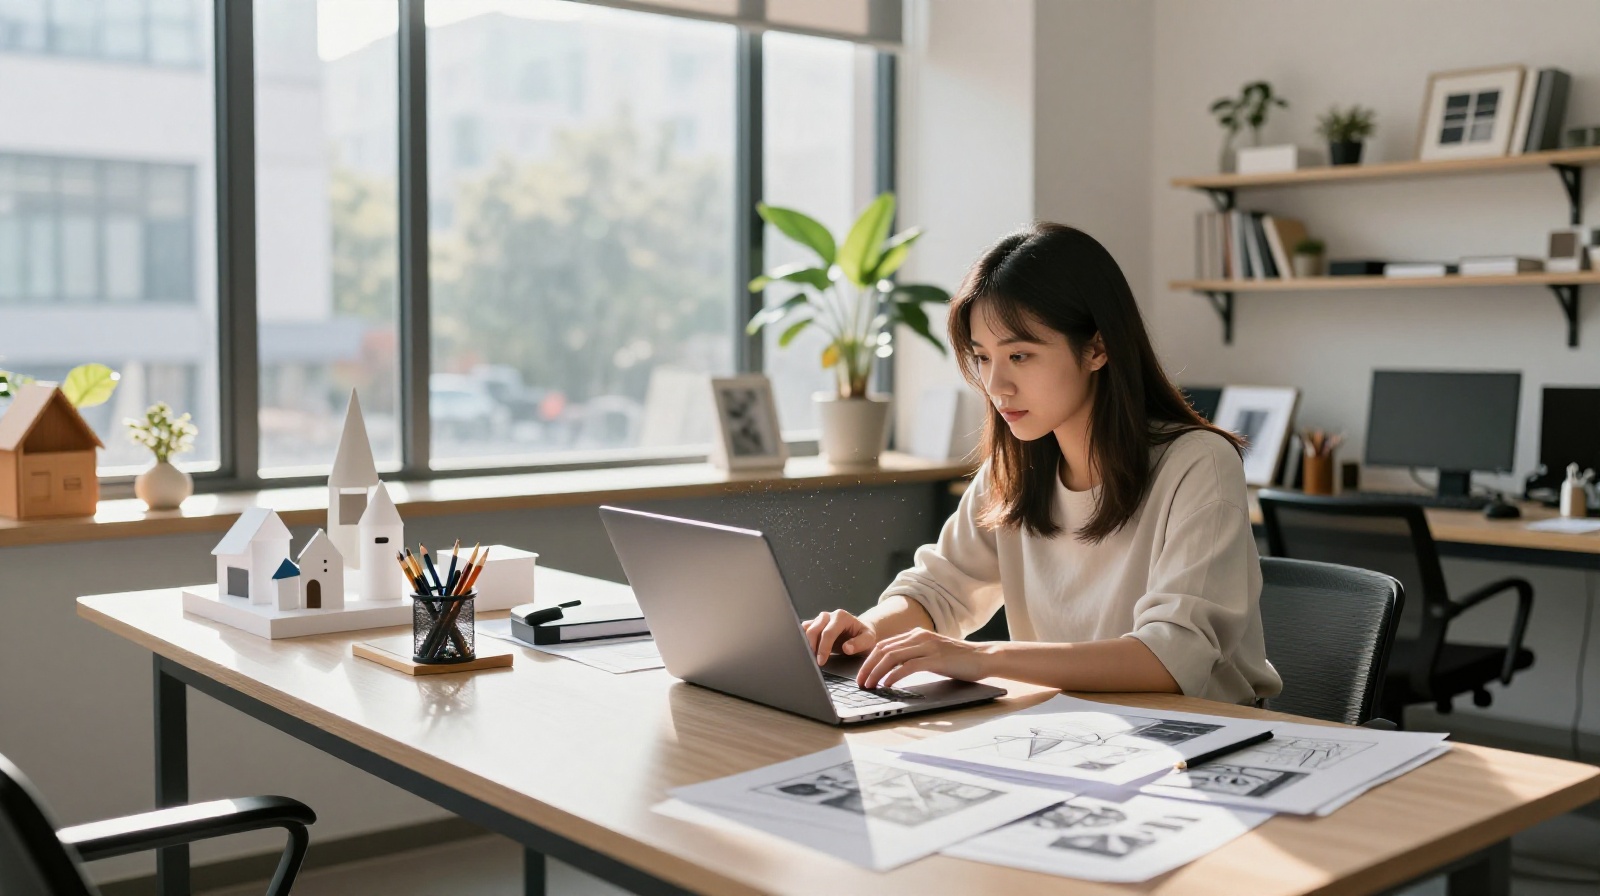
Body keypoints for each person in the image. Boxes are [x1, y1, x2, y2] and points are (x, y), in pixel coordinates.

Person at [804, 223, 1281, 706]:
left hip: (1205, 741)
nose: (997, 385)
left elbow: (1173, 656)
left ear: (1097, 348)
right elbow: (937, 591)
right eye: (982, 357)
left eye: (1019, 355)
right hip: (1070, 734)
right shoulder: (1014, 469)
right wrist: (864, 631)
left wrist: (983, 659)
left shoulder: (1198, 465)